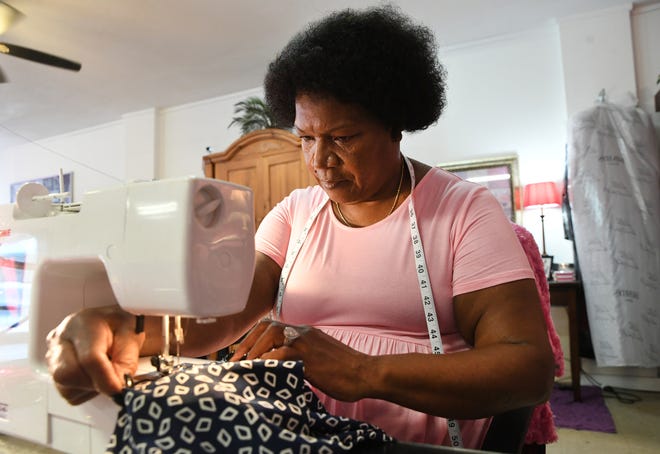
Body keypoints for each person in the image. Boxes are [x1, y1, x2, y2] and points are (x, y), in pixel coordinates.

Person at [46, 5, 554, 449]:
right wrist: (126, 327)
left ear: (397, 125)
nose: (320, 160)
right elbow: (219, 312)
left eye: (343, 137)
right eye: (306, 138)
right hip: (292, 428)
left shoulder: (463, 210)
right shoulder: (295, 213)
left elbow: (526, 368)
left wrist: (364, 372)